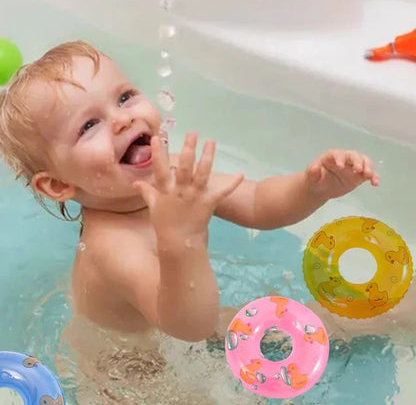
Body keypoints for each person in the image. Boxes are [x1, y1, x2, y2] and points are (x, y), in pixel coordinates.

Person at [0, 40, 380, 343]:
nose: (123, 119)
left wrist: (314, 187)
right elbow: (187, 327)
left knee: (343, 318)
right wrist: (181, 239)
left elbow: (257, 201)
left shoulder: (175, 173)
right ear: (59, 185)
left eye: (124, 97)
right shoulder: (110, 247)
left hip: (196, 325)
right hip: (132, 373)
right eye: (88, 126)